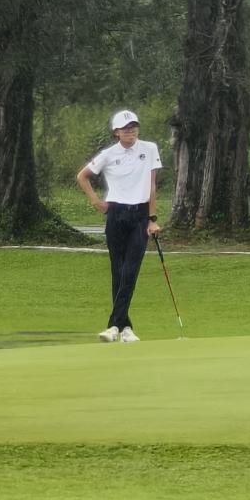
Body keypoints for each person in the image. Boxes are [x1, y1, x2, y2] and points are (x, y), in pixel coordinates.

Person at [75, 109, 163, 341]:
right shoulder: (108, 154)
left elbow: (152, 185)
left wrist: (152, 219)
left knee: (130, 270)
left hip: (140, 215)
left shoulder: (149, 149)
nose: (131, 131)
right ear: (116, 132)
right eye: (125, 128)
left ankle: (114, 325)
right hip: (116, 214)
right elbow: (82, 176)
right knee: (118, 270)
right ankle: (125, 329)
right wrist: (96, 202)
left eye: (133, 126)